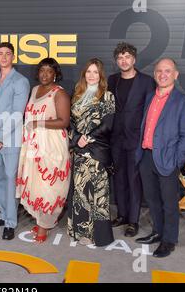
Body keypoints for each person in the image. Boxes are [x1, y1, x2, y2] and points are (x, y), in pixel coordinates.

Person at [135, 58, 185, 258]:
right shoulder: (150, 96)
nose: (163, 74)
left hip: (168, 159)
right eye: (159, 71)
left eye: (167, 71)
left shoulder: (182, 101)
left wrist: (178, 160)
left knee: (169, 203)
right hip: (146, 156)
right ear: (154, 75)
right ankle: (158, 232)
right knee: (152, 200)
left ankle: (169, 241)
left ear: (175, 75)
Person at [15, 57, 71, 244]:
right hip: (33, 145)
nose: (45, 74)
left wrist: (38, 122)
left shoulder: (59, 93)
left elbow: (64, 121)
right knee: (36, 185)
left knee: (49, 186)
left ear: (55, 74)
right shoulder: (34, 89)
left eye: (49, 71)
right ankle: (41, 221)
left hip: (51, 145)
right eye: (42, 70)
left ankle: (45, 225)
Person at [108, 42, 156, 237]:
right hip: (116, 137)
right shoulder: (112, 80)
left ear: (134, 59)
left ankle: (133, 221)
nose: (123, 61)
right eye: (120, 58)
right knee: (118, 178)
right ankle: (121, 214)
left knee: (134, 180)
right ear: (116, 61)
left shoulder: (146, 81)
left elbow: (150, 111)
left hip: (136, 138)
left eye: (127, 57)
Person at [67, 58, 115, 247]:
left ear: (100, 75)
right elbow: (70, 121)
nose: (92, 75)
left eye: (95, 72)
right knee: (80, 193)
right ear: (84, 74)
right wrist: (77, 137)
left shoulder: (107, 95)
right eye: (89, 72)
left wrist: (87, 136)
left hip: (97, 149)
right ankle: (79, 232)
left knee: (97, 193)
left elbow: (108, 124)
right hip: (79, 149)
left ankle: (99, 236)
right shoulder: (77, 94)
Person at [0, 42, 30, 240]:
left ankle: (11, 223)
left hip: (10, 138)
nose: (3, 57)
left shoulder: (20, 81)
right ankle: (3, 214)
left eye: (8, 54)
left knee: (10, 180)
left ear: (13, 57)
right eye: (0, 53)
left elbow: (17, 113)